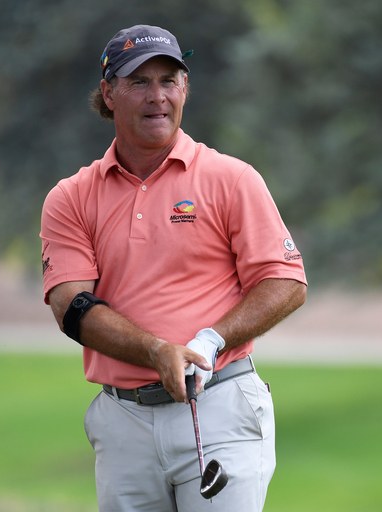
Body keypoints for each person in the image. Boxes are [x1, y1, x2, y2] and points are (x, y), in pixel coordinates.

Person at [39, 24, 307, 511]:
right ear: (108, 93)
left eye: (169, 80)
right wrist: (156, 350)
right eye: (139, 82)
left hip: (220, 408)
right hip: (124, 422)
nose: (157, 96)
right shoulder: (71, 197)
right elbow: (71, 307)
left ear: (185, 89)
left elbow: (285, 281)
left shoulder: (230, 178)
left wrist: (210, 340)